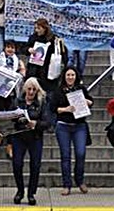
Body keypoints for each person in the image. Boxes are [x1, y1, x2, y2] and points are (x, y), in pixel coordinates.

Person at [50, 66, 94, 196]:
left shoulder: (81, 89)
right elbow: (53, 108)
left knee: (81, 153)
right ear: (64, 76)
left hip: (79, 126)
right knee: (65, 156)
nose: (70, 77)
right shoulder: (58, 91)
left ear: (76, 77)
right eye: (68, 75)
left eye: (72, 75)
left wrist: (88, 102)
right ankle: (67, 184)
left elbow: (92, 101)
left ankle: (79, 180)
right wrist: (66, 109)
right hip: (63, 126)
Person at [10, 77, 51, 206]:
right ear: (25, 89)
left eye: (34, 89)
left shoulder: (41, 103)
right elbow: (10, 118)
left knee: (35, 166)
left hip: (35, 137)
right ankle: (20, 191)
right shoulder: (17, 101)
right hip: (19, 137)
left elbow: (47, 122)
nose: (31, 92)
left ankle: (31, 193)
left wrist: (36, 124)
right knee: (17, 164)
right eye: (29, 89)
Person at [0, 40, 26, 150]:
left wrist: (19, 73)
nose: (10, 49)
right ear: (4, 48)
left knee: (9, 115)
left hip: (10, 92)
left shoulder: (18, 61)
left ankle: (9, 143)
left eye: (12, 47)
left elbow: (21, 76)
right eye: (8, 47)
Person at [25, 18, 68, 95]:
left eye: (39, 28)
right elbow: (25, 48)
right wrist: (29, 49)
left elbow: (63, 53)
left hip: (48, 72)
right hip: (34, 70)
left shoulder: (54, 39)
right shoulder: (33, 38)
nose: (37, 30)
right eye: (35, 28)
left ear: (45, 28)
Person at [63, 0, 92, 77]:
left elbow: (91, 12)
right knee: (70, 57)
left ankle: (78, 77)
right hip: (70, 32)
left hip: (83, 34)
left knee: (82, 58)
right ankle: (68, 77)